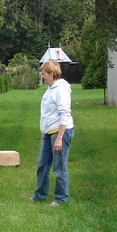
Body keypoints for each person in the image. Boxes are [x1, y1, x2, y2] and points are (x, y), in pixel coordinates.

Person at [29, 60, 74, 207]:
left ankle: (61, 199)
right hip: (49, 134)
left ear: (52, 74)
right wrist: (45, 135)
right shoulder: (50, 89)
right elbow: (48, 115)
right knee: (42, 164)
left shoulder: (61, 90)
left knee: (59, 168)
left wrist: (60, 138)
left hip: (60, 133)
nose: (42, 76)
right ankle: (40, 195)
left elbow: (64, 114)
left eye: (44, 74)